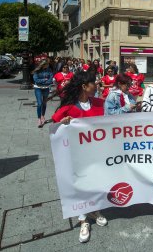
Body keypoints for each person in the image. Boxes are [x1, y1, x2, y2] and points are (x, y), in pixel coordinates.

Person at [51, 71, 108, 243]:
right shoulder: (68, 108)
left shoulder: (99, 103)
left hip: (95, 154)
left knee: (95, 183)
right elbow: (55, 128)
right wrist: (63, 123)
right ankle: (83, 219)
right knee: (79, 185)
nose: (97, 85)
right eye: (94, 83)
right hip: (75, 157)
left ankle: (94, 209)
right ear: (85, 86)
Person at [32, 60, 53, 127]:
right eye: (47, 64)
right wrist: (44, 80)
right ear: (44, 64)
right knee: (39, 103)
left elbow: (50, 80)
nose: (48, 65)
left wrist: (45, 81)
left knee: (44, 103)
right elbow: (36, 80)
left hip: (46, 88)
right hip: (38, 88)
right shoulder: (37, 71)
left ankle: (42, 116)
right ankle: (39, 118)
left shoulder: (49, 70)